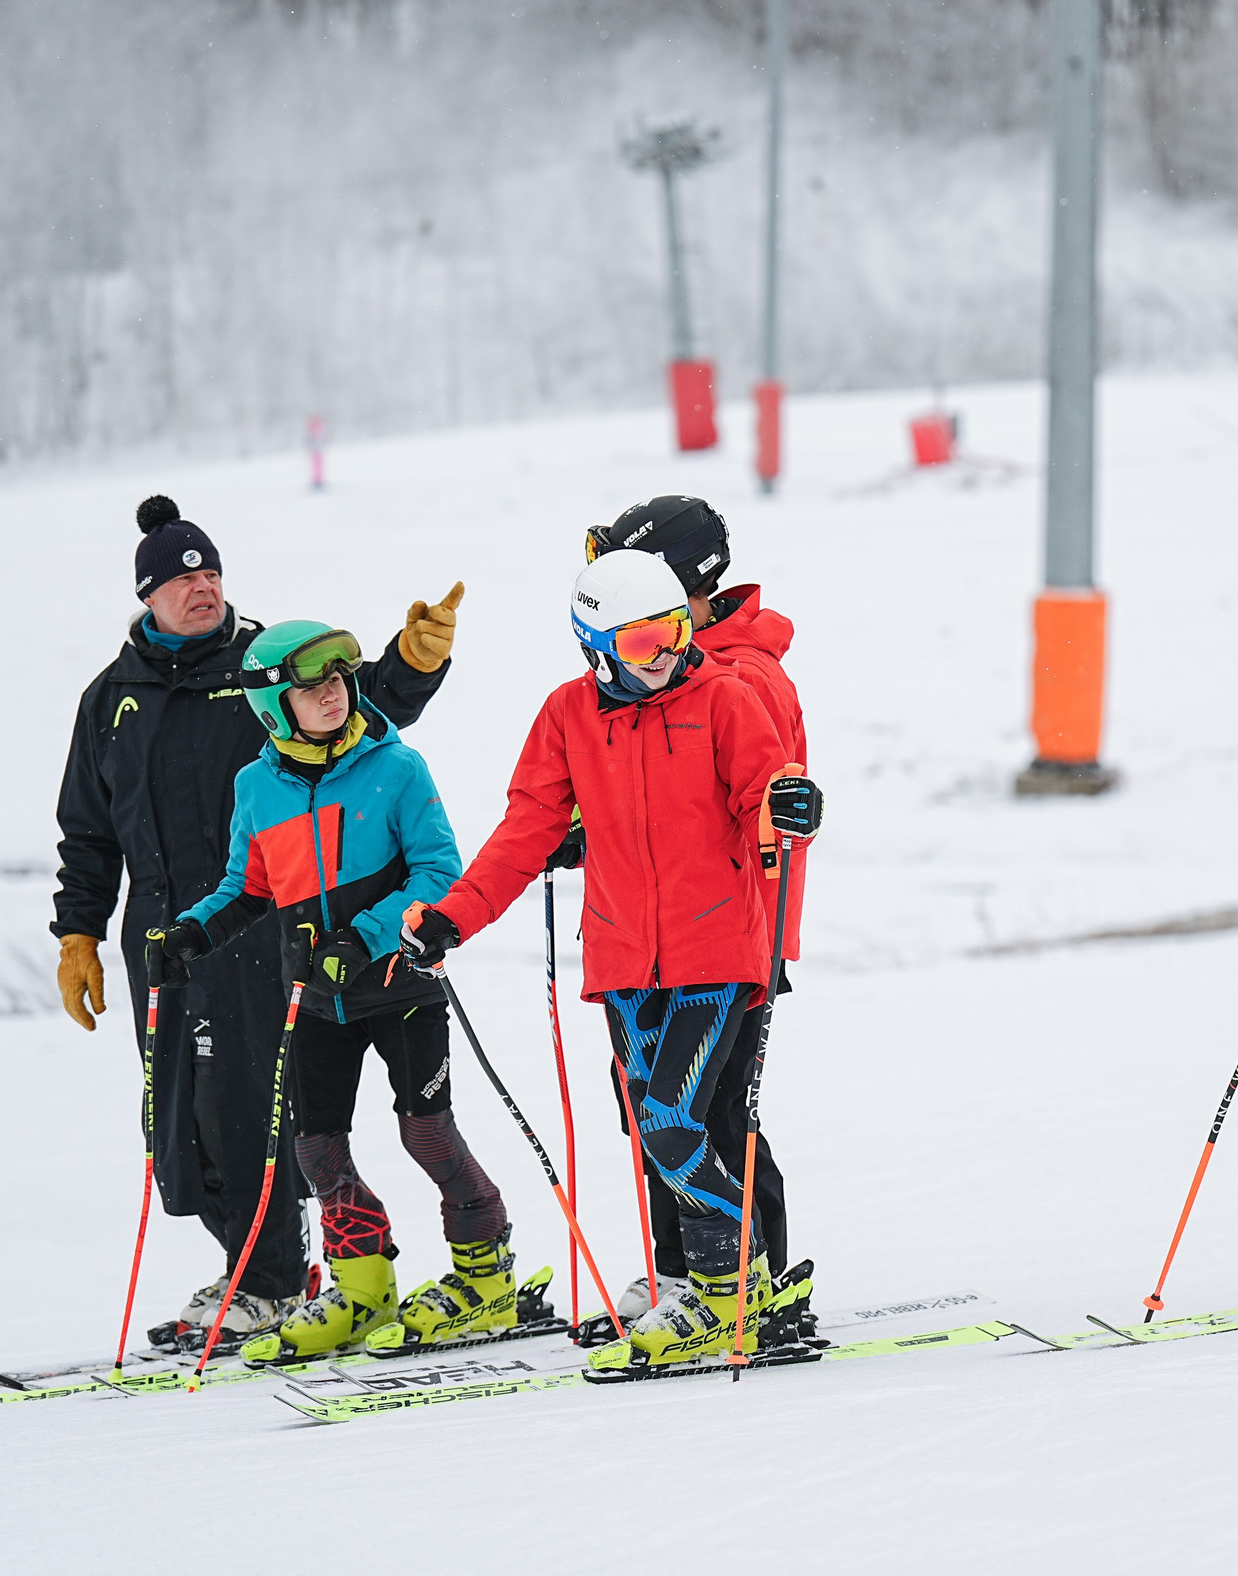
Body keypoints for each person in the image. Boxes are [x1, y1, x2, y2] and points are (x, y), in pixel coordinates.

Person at [50, 495, 464, 1343]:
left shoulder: (265, 667)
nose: (201, 586)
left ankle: (272, 1275)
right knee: (181, 1112)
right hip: (172, 932)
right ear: (148, 596)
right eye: (181, 577)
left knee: (258, 1108)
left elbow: (362, 711)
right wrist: (79, 934)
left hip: (265, 922)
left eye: (210, 570)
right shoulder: (110, 701)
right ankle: (248, 1261)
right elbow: (88, 830)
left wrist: (413, 663)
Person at [402, 549, 824, 1372]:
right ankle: (720, 1278)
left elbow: (766, 802)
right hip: (626, 961)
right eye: (639, 645)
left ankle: (726, 1286)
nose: (666, 655)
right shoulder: (567, 716)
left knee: (673, 1120)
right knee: (651, 1124)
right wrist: (454, 918)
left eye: (672, 633)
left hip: (716, 954)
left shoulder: (725, 700)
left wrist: (789, 809)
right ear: (593, 645)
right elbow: (526, 830)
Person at [154, 619, 523, 1360]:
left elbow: (437, 872)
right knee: (317, 1149)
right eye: (312, 685)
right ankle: (361, 1286)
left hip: (399, 984)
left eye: (338, 680)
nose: (331, 693)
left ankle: (485, 1275)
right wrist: (191, 934)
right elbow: (246, 886)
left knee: (426, 1132)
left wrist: (364, 937)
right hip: (317, 1001)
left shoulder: (397, 767)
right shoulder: (255, 788)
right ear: (271, 705)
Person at [581, 496, 806, 1327]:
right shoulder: (644, 674)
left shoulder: (738, 675)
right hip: (647, 942)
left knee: (708, 1110)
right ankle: (682, 1271)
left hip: (731, 932)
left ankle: (757, 1276)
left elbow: (762, 806)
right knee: (654, 1110)